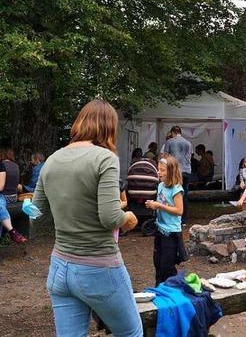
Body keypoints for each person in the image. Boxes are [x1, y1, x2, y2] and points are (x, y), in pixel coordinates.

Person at [32, 99, 141, 336]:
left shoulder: (51, 160)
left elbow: (36, 217)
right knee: (131, 332)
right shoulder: (105, 158)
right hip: (99, 267)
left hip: (60, 269)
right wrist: (129, 218)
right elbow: (110, 216)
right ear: (108, 127)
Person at [145, 155, 186, 286]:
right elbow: (161, 202)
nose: (158, 172)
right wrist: (153, 204)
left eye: (162, 170)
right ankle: (159, 289)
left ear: (171, 172)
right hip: (160, 229)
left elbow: (179, 210)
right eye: (158, 169)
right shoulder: (161, 185)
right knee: (157, 263)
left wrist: (159, 206)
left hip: (171, 233)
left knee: (167, 266)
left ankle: (173, 290)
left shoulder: (176, 189)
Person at [162, 125, 193, 225]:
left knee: (173, 194)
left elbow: (165, 158)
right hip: (187, 170)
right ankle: (184, 220)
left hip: (176, 171)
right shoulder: (188, 143)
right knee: (185, 195)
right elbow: (190, 157)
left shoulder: (169, 142)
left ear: (172, 132)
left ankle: (174, 218)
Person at [0, 149, 27, 243]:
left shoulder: (3, 165)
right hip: (14, 197)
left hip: (4, 197)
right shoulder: (16, 166)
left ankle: (9, 234)